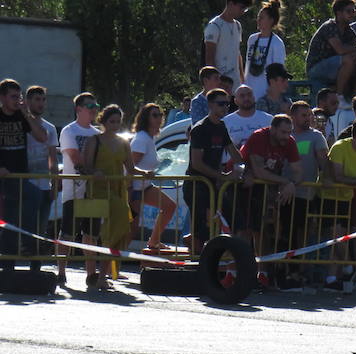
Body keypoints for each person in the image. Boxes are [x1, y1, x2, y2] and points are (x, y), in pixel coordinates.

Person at [81, 105, 151, 289]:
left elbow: (131, 168)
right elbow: (85, 165)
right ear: (103, 122)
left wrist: (145, 173)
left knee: (118, 232)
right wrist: (94, 172)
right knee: (92, 235)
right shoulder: (93, 140)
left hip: (118, 193)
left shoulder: (124, 142)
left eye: (118, 121)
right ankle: (91, 275)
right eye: (112, 121)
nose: (115, 125)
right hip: (95, 193)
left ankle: (103, 276)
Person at [240, 115, 303, 288]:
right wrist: (285, 182)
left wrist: (292, 184)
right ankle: (241, 271)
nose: (286, 136)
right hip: (243, 184)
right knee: (245, 230)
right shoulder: (259, 137)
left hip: (267, 186)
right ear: (273, 129)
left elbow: (298, 171)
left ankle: (263, 273)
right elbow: (259, 171)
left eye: (289, 132)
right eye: (283, 132)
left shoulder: (289, 142)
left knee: (264, 230)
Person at [319, 118, 356, 290]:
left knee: (341, 238)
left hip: (346, 197)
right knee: (337, 237)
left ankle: (331, 278)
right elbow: (337, 176)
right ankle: (349, 266)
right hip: (329, 196)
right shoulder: (339, 147)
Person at [185, 88, 244, 252]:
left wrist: (243, 168)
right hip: (197, 184)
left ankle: (231, 263)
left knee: (237, 220)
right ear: (210, 105)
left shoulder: (222, 126)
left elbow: (234, 152)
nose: (225, 107)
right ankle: (195, 264)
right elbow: (197, 164)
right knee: (200, 230)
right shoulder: (200, 129)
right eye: (221, 104)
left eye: (227, 103)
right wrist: (223, 176)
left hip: (214, 184)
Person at [0, 79, 47, 272]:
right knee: (32, 197)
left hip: (20, 176)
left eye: (19, 97)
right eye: (13, 97)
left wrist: (26, 114)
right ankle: (25, 244)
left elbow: (42, 137)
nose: (17, 100)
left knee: (12, 218)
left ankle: (9, 262)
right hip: (4, 177)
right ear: (2, 98)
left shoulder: (22, 116)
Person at [57, 92, 100, 285]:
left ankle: (91, 274)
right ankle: (61, 271)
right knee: (68, 234)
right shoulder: (69, 131)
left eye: (95, 106)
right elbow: (75, 157)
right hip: (73, 191)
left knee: (91, 234)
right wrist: (93, 171)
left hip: (92, 192)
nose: (94, 109)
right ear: (79, 109)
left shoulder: (97, 133)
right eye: (90, 106)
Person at [129, 103, 177, 251]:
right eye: (154, 115)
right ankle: (114, 265)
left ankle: (154, 241)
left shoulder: (149, 138)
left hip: (144, 187)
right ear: (146, 118)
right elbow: (128, 166)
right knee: (131, 228)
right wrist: (141, 177)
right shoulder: (142, 139)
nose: (159, 118)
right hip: (133, 189)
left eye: (160, 115)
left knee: (169, 206)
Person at [24, 86, 59, 270]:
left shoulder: (50, 128)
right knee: (20, 228)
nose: (40, 103)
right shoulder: (20, 125)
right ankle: (9, 270)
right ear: (28, 101)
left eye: (43, 99)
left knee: (40, 229)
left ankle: (35, 269)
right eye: (37, 99)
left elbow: (53, 159)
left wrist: (54, 184)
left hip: (44, 185)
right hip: (24, 185)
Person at [204, 0, 253, 83]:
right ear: (231, 4)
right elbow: (209, 58)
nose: (243, 11)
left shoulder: (238, 26)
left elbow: (237, 52)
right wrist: (215, 82)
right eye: (241, 7)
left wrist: (242, 79)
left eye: (245, 9)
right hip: (221, 81)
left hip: (235, 82)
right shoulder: (214, 26)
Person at [244, 0, 287, 101]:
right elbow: (248, 64)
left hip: (265, 93)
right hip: (249, 90)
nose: (258, 20)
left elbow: (278, 72)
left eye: (262, 18)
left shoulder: (277, 43)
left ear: (271, 20)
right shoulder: (252, 39)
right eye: (258, 17)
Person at [223, 85, 273, 150]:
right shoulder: (225, 122)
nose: (246, 98)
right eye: (242, 96)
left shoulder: (268, 119)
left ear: (254, 98)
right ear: (235, 101)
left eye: (249, 95)